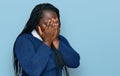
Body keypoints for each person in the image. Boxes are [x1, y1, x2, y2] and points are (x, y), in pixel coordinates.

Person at [13, 3, 80, 76]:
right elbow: (33, 71)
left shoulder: (60, 39)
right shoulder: (24, 41)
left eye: (55, 23)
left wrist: (55, 41)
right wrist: (47, 41)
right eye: (48, 24)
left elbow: (75, 62)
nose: (52, 27)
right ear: (36, 24)